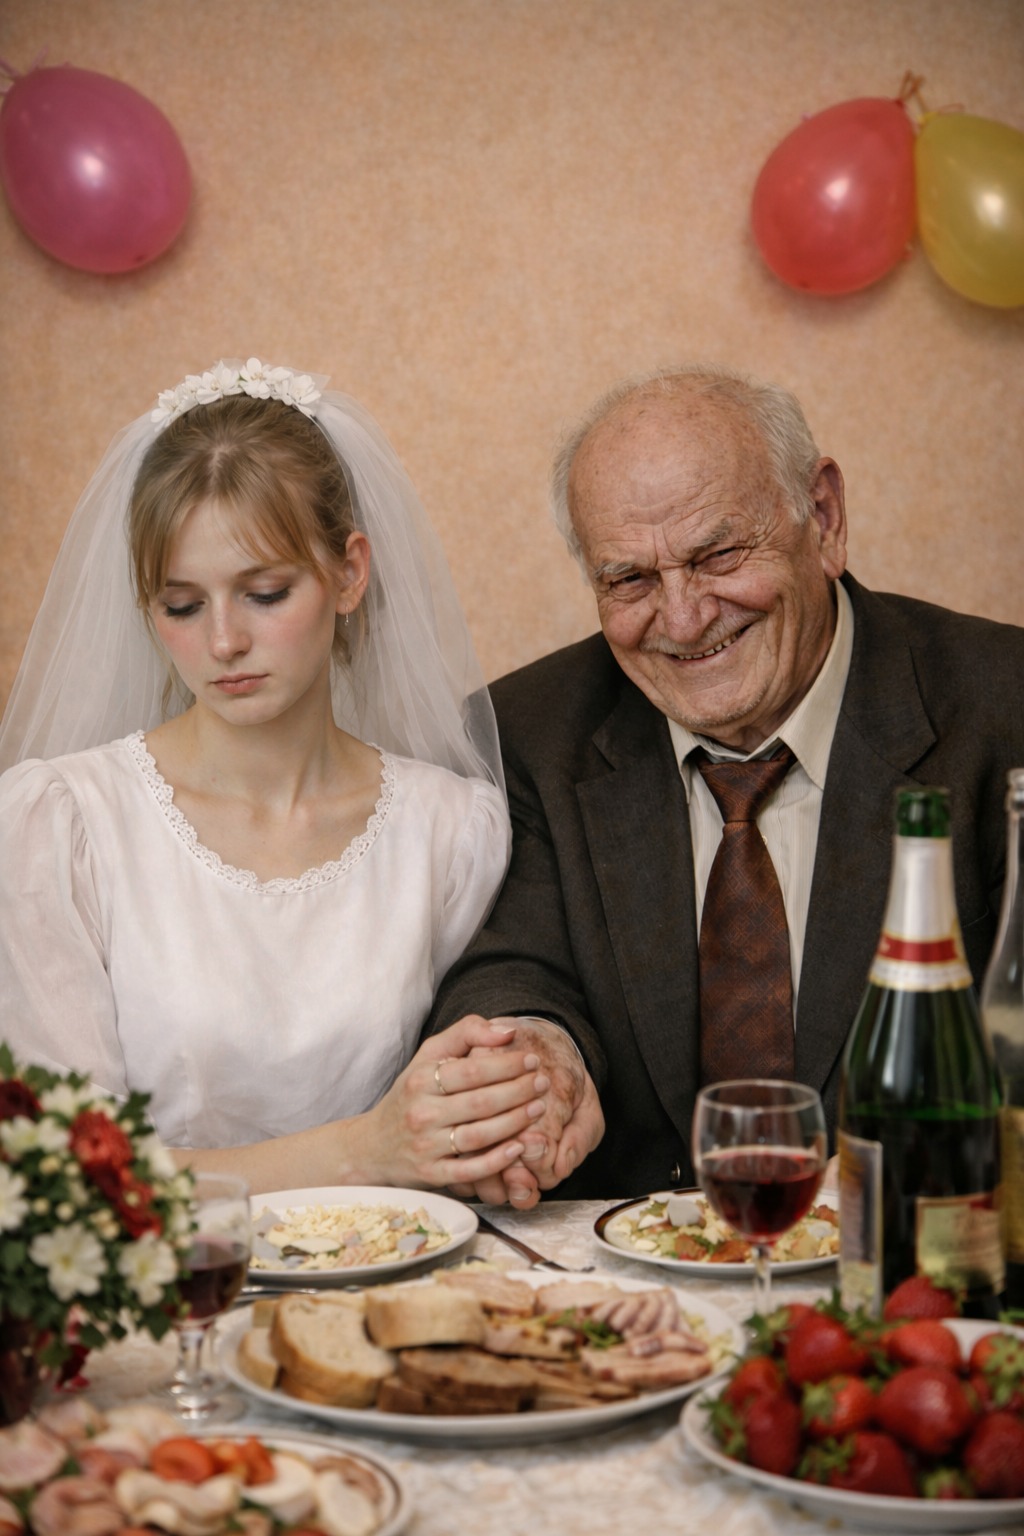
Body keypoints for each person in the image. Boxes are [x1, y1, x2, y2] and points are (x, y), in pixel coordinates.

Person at [429, 362, 1024, 1202]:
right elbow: (514, 964)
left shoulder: (1005, 709)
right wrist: (534, 1050)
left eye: (718, 555)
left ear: (823, 517)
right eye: (630, 579)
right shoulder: (526, 734)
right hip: (637, 1265)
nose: (683, 619)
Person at [0, 357, 552, 1196]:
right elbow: (63, 1179)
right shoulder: (63, 825)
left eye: (263, 593)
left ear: (349, 572)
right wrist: (360, 1152)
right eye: (182, 605)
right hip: (172, 1276)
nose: (223, 642)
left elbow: (465, 1110)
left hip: (403, 1267)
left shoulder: (451, 831)